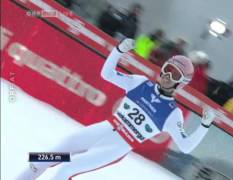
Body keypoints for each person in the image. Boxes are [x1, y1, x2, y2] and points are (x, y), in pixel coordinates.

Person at [17, 39, 216, 179]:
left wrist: (204, 126)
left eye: (174, 75)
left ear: (182, 83)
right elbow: (107, 74)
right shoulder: (141, 83)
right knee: (52, 153)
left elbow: (186, 146)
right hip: (106, 128)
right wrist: (118, 51)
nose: (166, 76)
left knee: (67, 168)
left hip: (118, 145)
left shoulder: (173, 113)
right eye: (167, 70)